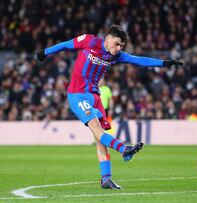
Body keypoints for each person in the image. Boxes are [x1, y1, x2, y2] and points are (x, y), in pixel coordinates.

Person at [35, 25, 183, 189]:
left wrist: (164, 63)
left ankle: (106, 179)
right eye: (117, 43)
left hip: (95, 97)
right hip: (78, 94)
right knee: (96, 128)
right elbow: (66, 44)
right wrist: (45, 52)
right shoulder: (89, 41)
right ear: (108, 38)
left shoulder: (117, 56)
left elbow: (139, 60)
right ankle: (123, 149)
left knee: (100, 140)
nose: (118, 48)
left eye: (121, 46)